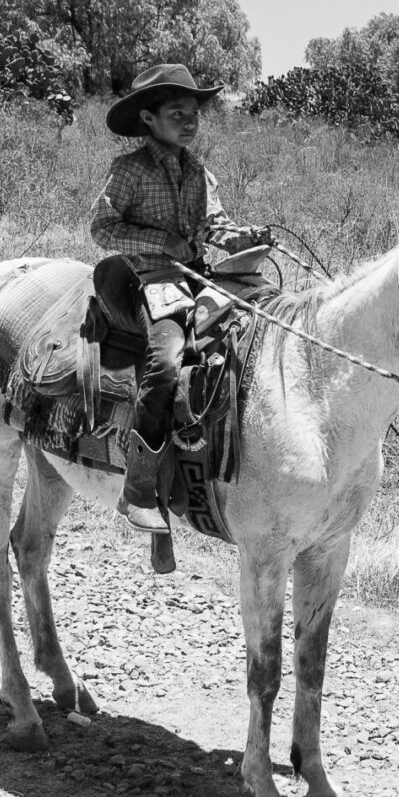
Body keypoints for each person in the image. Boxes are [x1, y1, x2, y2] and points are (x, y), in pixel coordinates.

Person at [89, 63, 272, 533]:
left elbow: (215, 226)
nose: (189, 121)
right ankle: (138, 488)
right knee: (167, 360)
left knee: (252, 331)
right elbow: (102, 228)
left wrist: (241, 237)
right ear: (149, 119)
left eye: (193, 112)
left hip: (196, 275)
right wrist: (159, 242)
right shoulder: (128, 170)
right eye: (177, 112)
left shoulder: (198, 172)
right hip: (148, 277)